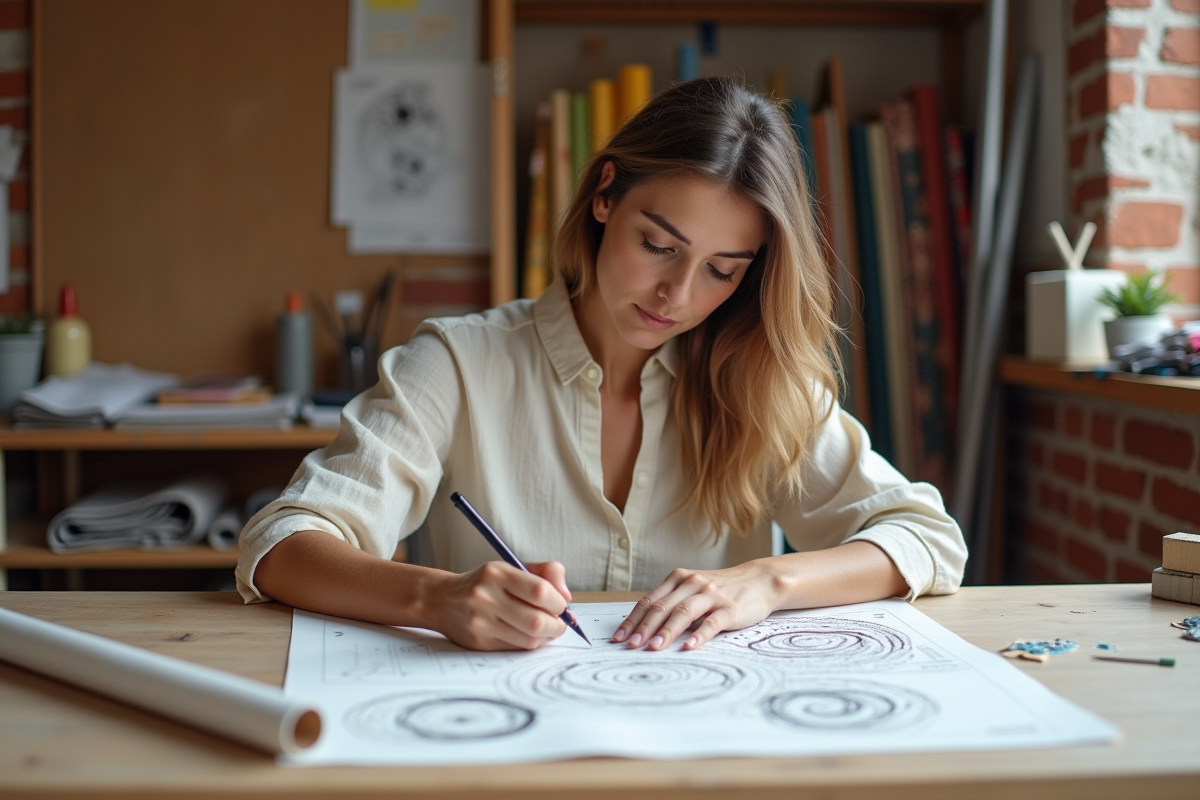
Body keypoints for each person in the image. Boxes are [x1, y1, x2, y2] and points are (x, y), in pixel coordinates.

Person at [238, 77, 966, 653]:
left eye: (723, 270)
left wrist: (767, 581)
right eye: (659, 245)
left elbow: (926, 538)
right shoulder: (457, 364)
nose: (677, 296)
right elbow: (283, 545)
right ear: (605, 195)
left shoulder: (763, 384)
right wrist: (437, 598)